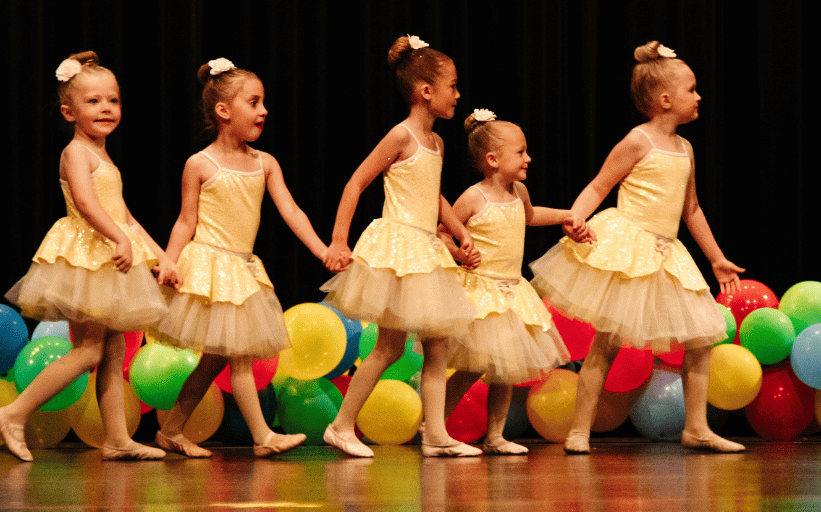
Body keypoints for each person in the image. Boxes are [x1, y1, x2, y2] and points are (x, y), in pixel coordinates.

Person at [530, 41, 746, 454]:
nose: (699, 96)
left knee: (700, 340)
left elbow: (692, 209)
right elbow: (600, 185)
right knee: (606, 343)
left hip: (667, 253)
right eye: (691, 89)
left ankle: (696, 427)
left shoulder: (685, 149)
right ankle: (579, 430)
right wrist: (576, 217)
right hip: (630, 249)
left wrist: (716, 258)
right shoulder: (638, 140)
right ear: (665, 99)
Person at [152, 58, 333, 458]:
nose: (263, 110)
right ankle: (263, 436)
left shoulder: (264, 163)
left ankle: (172, 430)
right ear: (223, 110)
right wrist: (170, 259)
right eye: (254, 102)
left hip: (242, 269)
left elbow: (291, 211)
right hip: (211, 268)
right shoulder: (200, 164)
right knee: (239, 359)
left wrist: (322, 249)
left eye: (263, 102)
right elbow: (185, 221)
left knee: (214, 360)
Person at [0, 51, 170, 462]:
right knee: (89, 350)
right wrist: (119, 239)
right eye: (93, 101)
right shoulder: (76, 152)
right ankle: (14, 412)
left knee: (113, 350)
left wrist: (160, 255)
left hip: (108, 255)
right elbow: (87, 204)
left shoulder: (103, 155)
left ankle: (117, 439)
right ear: (69, 112)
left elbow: (124, 215)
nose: (106, 108)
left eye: (113, 100)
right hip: (87, 257)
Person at [321, 35, 482, 458]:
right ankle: (340, 426)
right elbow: (356, 182)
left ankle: (435, 433)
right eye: (452, 86)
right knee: (389, 347)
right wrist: (339, 240)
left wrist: (459, 232)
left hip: (426, 249)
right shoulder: (401, 135)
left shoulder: (438, 143)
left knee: (438, 345)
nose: (458, 95)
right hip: (399, 248)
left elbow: (434, 196)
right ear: (426, 91)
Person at [441, 110, 572, 454]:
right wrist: (459, 253)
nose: (528, 158)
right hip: (482, 292)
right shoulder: (473, 198)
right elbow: (442, 233)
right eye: (521, 152)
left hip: (513, 291)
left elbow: (530, 216)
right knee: (471, 368)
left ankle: (495, 436)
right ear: (493, 159)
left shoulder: (520, 192)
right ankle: (435, 425)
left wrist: (567, 216)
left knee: (506, 368)